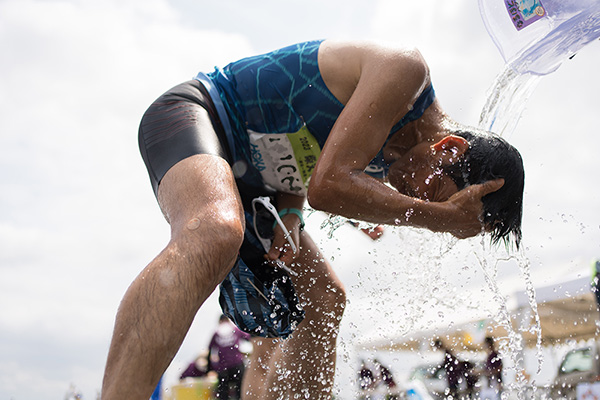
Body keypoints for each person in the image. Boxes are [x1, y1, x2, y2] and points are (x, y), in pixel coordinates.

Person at [100, 39, 525, 400]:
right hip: (200, 113)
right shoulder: (404, 72)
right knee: (215, 229)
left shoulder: (399, 155)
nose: (415, 198)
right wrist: (440, 217)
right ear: (448, 149)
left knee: (323, 301)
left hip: (259, 187)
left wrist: (289, 207)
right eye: (434, 193)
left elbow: (304, 151)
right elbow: (329, 186)